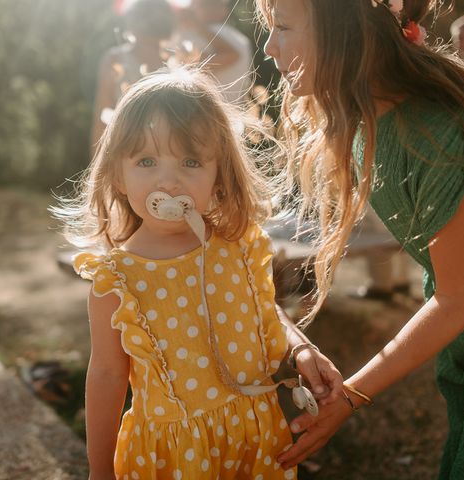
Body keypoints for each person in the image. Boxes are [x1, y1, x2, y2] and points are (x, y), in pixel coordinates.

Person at [58, 68, 343, 479]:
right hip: (173, 457)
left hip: (254, 439)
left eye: (191, 161)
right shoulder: (117, 280)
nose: (168, 180)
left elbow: (264, 310)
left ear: (219, 173)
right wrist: (100, 470)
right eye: (147, 161)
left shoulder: (238, 247)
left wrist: (299, 348)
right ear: (118, 175)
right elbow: (105, 375)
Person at [256, 0, 464, 478]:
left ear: (344, 28)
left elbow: (457, 299)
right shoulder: (370, 119)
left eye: (282, 26)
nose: (268, 45)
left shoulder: (435, 137)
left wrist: (351, 394)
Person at [90, 0, 175, 150]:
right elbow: (102, 116)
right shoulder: (115, 60)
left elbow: (102, 115)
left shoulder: (176, 60)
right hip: (129, 147)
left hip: (168, 147)